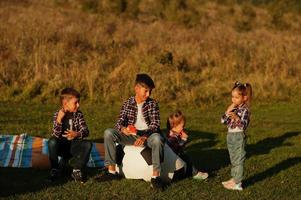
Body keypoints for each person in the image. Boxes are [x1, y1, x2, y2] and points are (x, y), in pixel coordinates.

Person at [97, 73, 165, 190]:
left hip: (148, 135)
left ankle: (155, 177)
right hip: (131, 136)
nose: (148, 94)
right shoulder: (127, 103)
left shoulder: (152, 104)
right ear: (137, 89)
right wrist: (123, 129)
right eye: (146, 91)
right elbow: (119, 122)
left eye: (150, 92)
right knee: (108, 132)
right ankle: (112, 172)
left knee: (158, 139)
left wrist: (144, 137)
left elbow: (155, 125)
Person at [48, 88, 92, 183]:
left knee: (88, 144)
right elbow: (55, 135)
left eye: (78, 102)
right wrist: (59, 120)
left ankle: (77, 170)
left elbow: (86, 131)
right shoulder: (57, 115)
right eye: (75, 102)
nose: (78, 105)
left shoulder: (78, 115)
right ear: (65, 104)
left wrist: (77, 134)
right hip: (61, 147)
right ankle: (55, 169)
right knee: (51, 142)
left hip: (74, 145)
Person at [221, 81, 252, 191]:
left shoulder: (245, 110)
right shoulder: (234, 108)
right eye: (232, 97)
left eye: (236, 97)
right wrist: (228, 111)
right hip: (230, 136)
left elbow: (243, 125)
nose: (233, 99)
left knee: (239, 159)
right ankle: (234, 178)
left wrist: (235, 117)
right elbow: (223, 121)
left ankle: (238, 183)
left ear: (244, 97)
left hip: (238, 136)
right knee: (233, 159)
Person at [166, 110, 208, 180]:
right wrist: (184, 139)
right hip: (173, 158)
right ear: (174, 126)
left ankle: (189, 172)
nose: (183, 128)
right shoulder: (172, 138)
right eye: (182, 126)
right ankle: (195, 173)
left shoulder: (175, 134)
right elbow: (177, 149)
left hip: (175, 156)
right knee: (186, 158)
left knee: (186, 157)